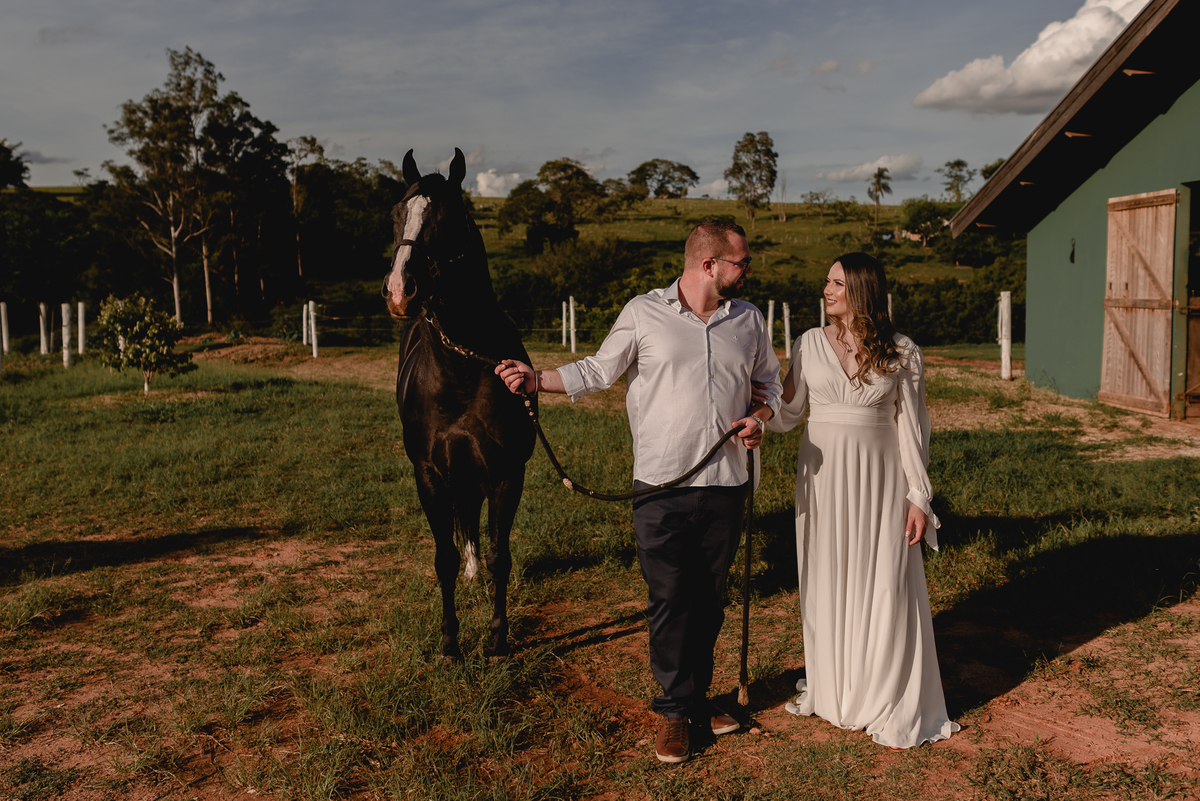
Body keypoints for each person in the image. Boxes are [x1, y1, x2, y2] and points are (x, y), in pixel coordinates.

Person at [496, 217, 782, 764]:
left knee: (710, 602)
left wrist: (761, 416)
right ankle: (675, 713)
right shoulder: (643, 312)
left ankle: (695, 698)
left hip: (727, 484)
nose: (748, 271)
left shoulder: (748, 320)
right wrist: (535, 378)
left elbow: (766, 382)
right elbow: (599, 371)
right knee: (671, 599)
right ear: (709, 265)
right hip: (660, 486)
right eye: (741, 263)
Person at [765, 252, 959, 749]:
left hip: (881, 483)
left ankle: (883, 691)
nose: (825, 291)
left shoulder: (903, 351)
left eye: (835, 283)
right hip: (823, 482)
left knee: (885, 584)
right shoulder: (807, 343)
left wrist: (919, 496)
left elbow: (912, 429)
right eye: (826, 282)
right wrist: (752, 412)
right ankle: (834, 690)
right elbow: (788, 412)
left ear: (860, 290)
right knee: (827, 578)